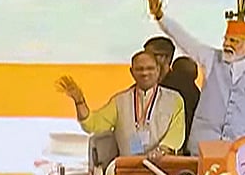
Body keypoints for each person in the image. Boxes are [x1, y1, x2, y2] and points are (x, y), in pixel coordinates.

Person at [146, 0, 245, 154]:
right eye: (226, 39)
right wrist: (160, 17)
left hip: (242, 154)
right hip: (203, 149)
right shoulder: (212, 59)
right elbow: (185, 40)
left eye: (234, 41)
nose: (227, 44)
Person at [57, 51, 185, 161]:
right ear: (132, 72)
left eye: (150, 68)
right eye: (139, 69)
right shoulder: (119, 101)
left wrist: (161, 150)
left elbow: (176, 135)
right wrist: (79, 101)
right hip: (128, 169)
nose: (145, 73)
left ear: (158, 70)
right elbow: (91, 124)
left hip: (162, 168)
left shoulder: (174, 99)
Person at [144, 36, 201, 140]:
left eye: (148, 56)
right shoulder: (148, 86)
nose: (143, 60)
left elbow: (186, 127)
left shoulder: (182, 88)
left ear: (164, 58)